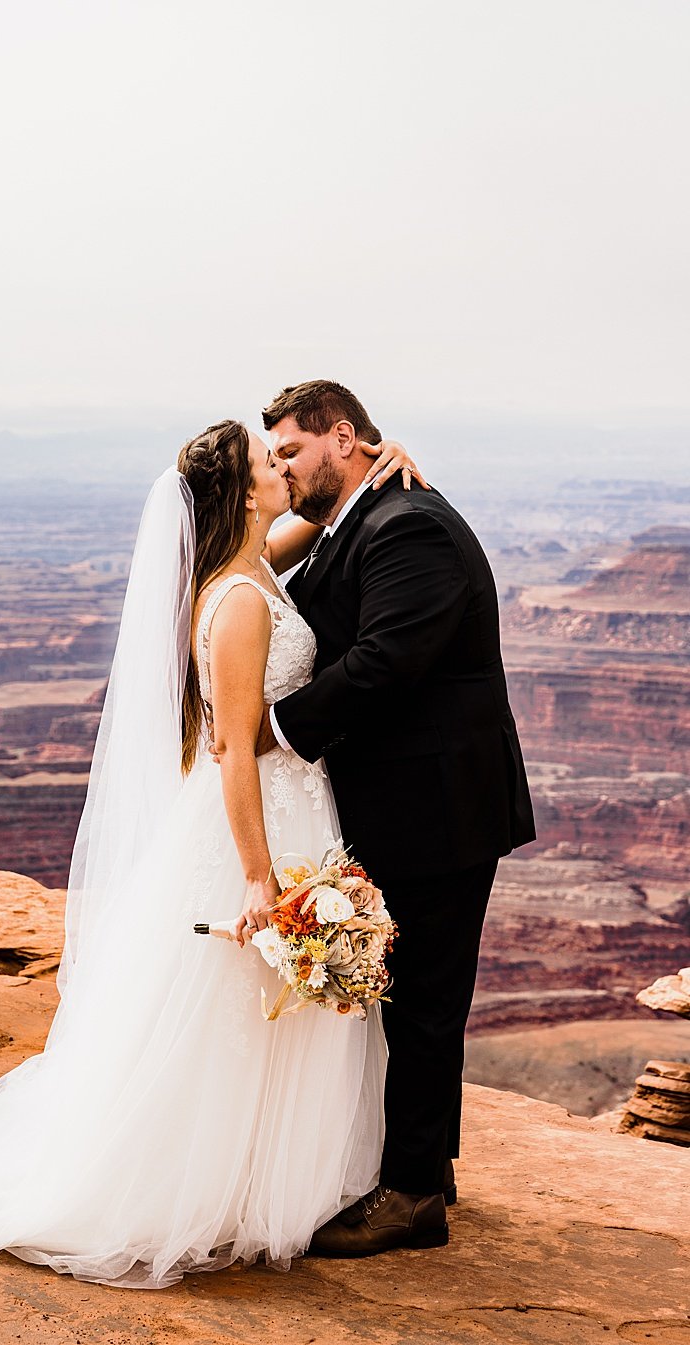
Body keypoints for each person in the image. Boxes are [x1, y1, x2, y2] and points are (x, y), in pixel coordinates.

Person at [0, 420, 423, 1288]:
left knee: (271, 1008)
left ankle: (260, 1176)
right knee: (240, 1005)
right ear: (241, 493)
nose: (286, 469)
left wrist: (378, 470)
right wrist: (260, 877)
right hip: (256, 827)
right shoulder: (243, 599)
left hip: (296, 808)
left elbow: (320, 522)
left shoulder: (255, 563)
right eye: (270, 463)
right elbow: (231, 750)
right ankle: (209, 1187)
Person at [257, 380, 534, 1256]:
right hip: (412, 798)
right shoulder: (359, 513)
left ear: (343, 438)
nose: (283, 468)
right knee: (411, 992)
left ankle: (413, 1194)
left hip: (440, 804)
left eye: (293, 451)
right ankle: (424, 1164)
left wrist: (275, 729)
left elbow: (386, 660)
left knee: (424, 998)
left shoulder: (406, 522)